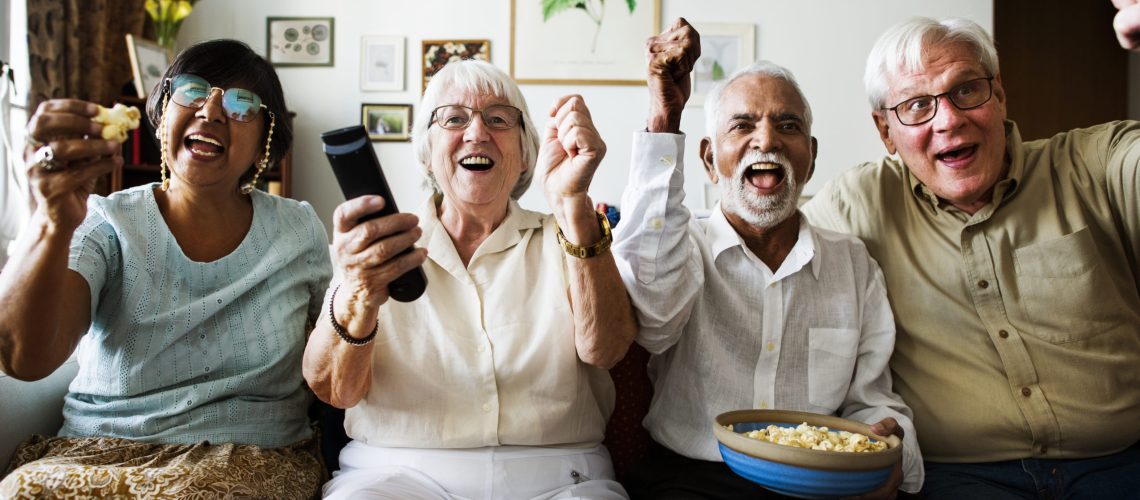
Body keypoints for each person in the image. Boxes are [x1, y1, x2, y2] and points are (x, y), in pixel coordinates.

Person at [801, 7, 1140, 499]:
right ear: (884, 132)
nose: (949, 119)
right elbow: (759, 254)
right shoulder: (857, 203)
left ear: (999, 93)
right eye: (917, 105)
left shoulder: (1097, 165)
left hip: (1118, 465)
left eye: (966, 90)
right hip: (959, 478)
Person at [0, 39, 332, 498]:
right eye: (194, 89)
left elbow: (339, 353)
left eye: (241, 104)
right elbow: (25, 359)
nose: (211, 111)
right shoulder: (105, 222)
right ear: (160, 116)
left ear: (265, 142)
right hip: (95, 451)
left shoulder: (299, 230)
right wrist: (50, 220)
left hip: (245, 457)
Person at [611, 19, 923, 499]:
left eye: (788, 125)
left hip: (819, 481)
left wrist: (887, 445)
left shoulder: (852, 264)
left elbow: (870, 400)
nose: (768, 140)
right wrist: (663, 119)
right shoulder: (682, 246)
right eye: (743, 125)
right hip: (690, 480)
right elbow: (653, 317)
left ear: (811, 158)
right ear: (710, 160)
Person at [303, 59, 637, 499]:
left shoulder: (573, 236)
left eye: (497, 119)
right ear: (426, 151)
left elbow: (607, 350)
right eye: (454, 118)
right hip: (395, 475)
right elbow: (333, 390)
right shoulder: (378, 245)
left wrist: (573, 202)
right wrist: (359, 291)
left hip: (561, 479)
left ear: (524, 155)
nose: (477, 133)